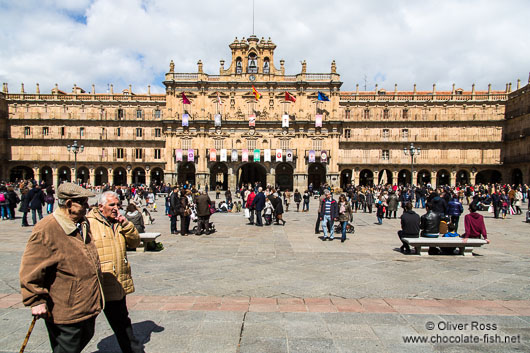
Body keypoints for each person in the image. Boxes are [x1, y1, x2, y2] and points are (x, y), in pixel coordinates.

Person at [20, 183, 102, 353]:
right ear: (69, 204)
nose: (87, 205)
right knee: (67, 348)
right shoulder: (47, 228)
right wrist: (35, 300)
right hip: (66, 307)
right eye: (83, 202)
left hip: (85, 304)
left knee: (81, 338)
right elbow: (31, 267)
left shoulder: (81, 223)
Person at [87, 191, 144, 353]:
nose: (116, 208)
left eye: (118, 205)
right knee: (82, 330)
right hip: (96, 283)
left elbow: (135, 242)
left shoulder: (119, 222)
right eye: (112, 205)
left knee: (123, 324)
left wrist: (126, 224)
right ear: (100, 206)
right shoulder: (88, 224)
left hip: (116, 283)